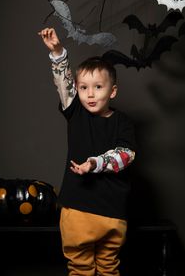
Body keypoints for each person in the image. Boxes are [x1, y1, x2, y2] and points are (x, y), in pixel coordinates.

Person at [38, 27, 136, 276]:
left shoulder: (123, 122)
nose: (90, 94)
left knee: (108, 268)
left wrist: (95, 163)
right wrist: (58, 53)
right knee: (80, 269)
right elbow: (63, 84)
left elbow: (126, 155)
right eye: (83, 88)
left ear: (112, 91)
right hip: (77, 210)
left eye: (98, 87)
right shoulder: (76, 113)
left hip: (113, 213)